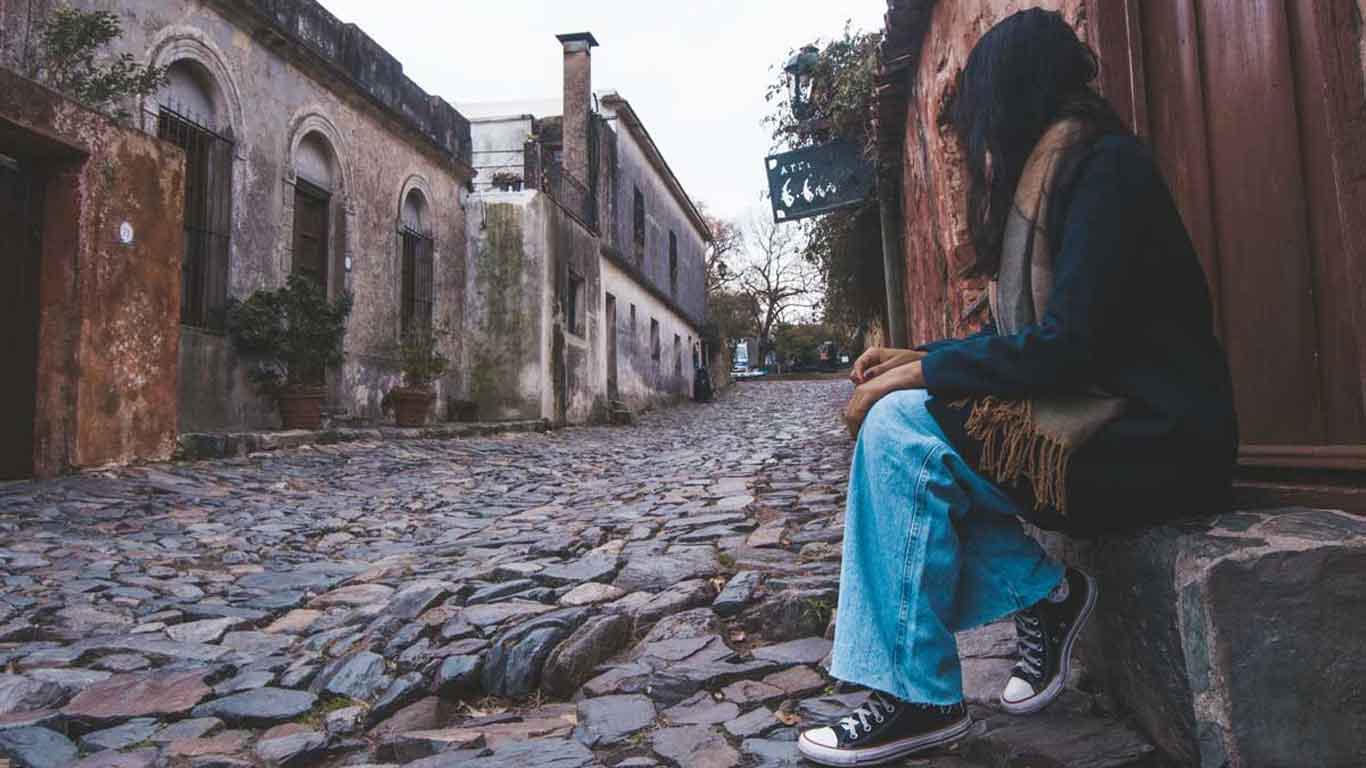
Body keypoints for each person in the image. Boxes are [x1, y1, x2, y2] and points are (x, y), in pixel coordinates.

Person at [797, 9, 1237, 766]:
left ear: (1015, 93)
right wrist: (921, 353)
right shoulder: (1064, 172)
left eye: (981, 115)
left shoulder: (1106, 172)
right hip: (1106, 430)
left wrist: (920, 372)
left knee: (902, 430)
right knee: (912, 433)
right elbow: (1030, 345)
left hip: (1159, 442)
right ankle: (1041, 594)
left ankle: (917, 695)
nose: (979, 140)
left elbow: (1064, 351)